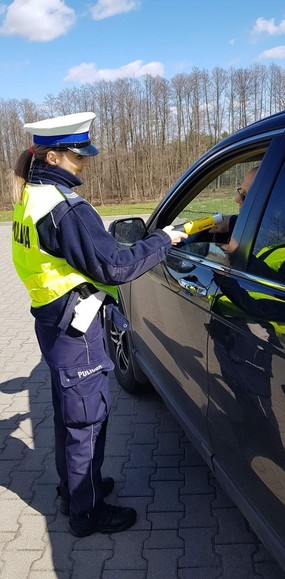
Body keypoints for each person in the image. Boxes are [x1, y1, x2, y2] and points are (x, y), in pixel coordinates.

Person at [11, 111, 188, 538]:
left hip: (53, 323)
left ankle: (75, 491)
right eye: (79, 158)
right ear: (53, 157)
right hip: (76, 328)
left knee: (69, 417)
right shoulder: (66, 210)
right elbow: (114, 265)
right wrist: (166, 239)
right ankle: (86, 514)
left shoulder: (31, 197)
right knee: (86, 422)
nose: (85, 164)